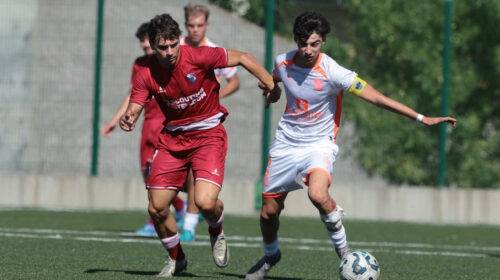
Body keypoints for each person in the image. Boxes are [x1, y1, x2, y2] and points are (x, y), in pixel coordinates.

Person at [245, 11, 457, 280]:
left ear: (323, 41)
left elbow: (377, 98)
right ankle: (271, 254)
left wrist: (420, 117)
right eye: (302, 43)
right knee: (268, 214)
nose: (308, 50)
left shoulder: (334, 72)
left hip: (319, 144)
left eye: (314, 43)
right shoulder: (283, 61)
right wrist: (272, 91)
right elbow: (275, 79)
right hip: (286, 143)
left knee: (318, 195)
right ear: (295, 40)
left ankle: (345, 253)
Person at [120, 14, 281, 277]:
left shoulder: (197, 55)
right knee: (157, 208)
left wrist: (271, 85)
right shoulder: (146, 71)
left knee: (206, 203)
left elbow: (242, 57)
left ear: (179, 40)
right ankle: (177, 259)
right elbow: (136, 103)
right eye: (163, 47)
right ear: (153, 45)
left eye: (174, 44)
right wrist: (129, 116)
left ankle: (216, 231)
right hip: (172, 141)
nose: (170, 52)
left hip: (208, 137)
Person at [101, 22, 186, 236]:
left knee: (157, 176)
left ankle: (155, 220)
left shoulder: (169, 61)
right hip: (147, 124)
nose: (145, 47)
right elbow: (133, 94)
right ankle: (180, 207)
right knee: (146, 175)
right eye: (142, 44)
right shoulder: (140, 64)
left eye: (148, 43)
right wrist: (116, 119)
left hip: (165, 124)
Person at [178, 3, 241, 243]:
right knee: (174, 177)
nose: (195, 30)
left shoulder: (214, 51)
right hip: (176, 124)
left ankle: (190, 226)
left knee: (196, 175)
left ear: (207, 25)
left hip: (204, 125)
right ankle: (194, 211)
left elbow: (234, 82)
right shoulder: (176, 48)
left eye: (199, 25)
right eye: (191, 26)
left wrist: (215, 97)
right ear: (185, 26)